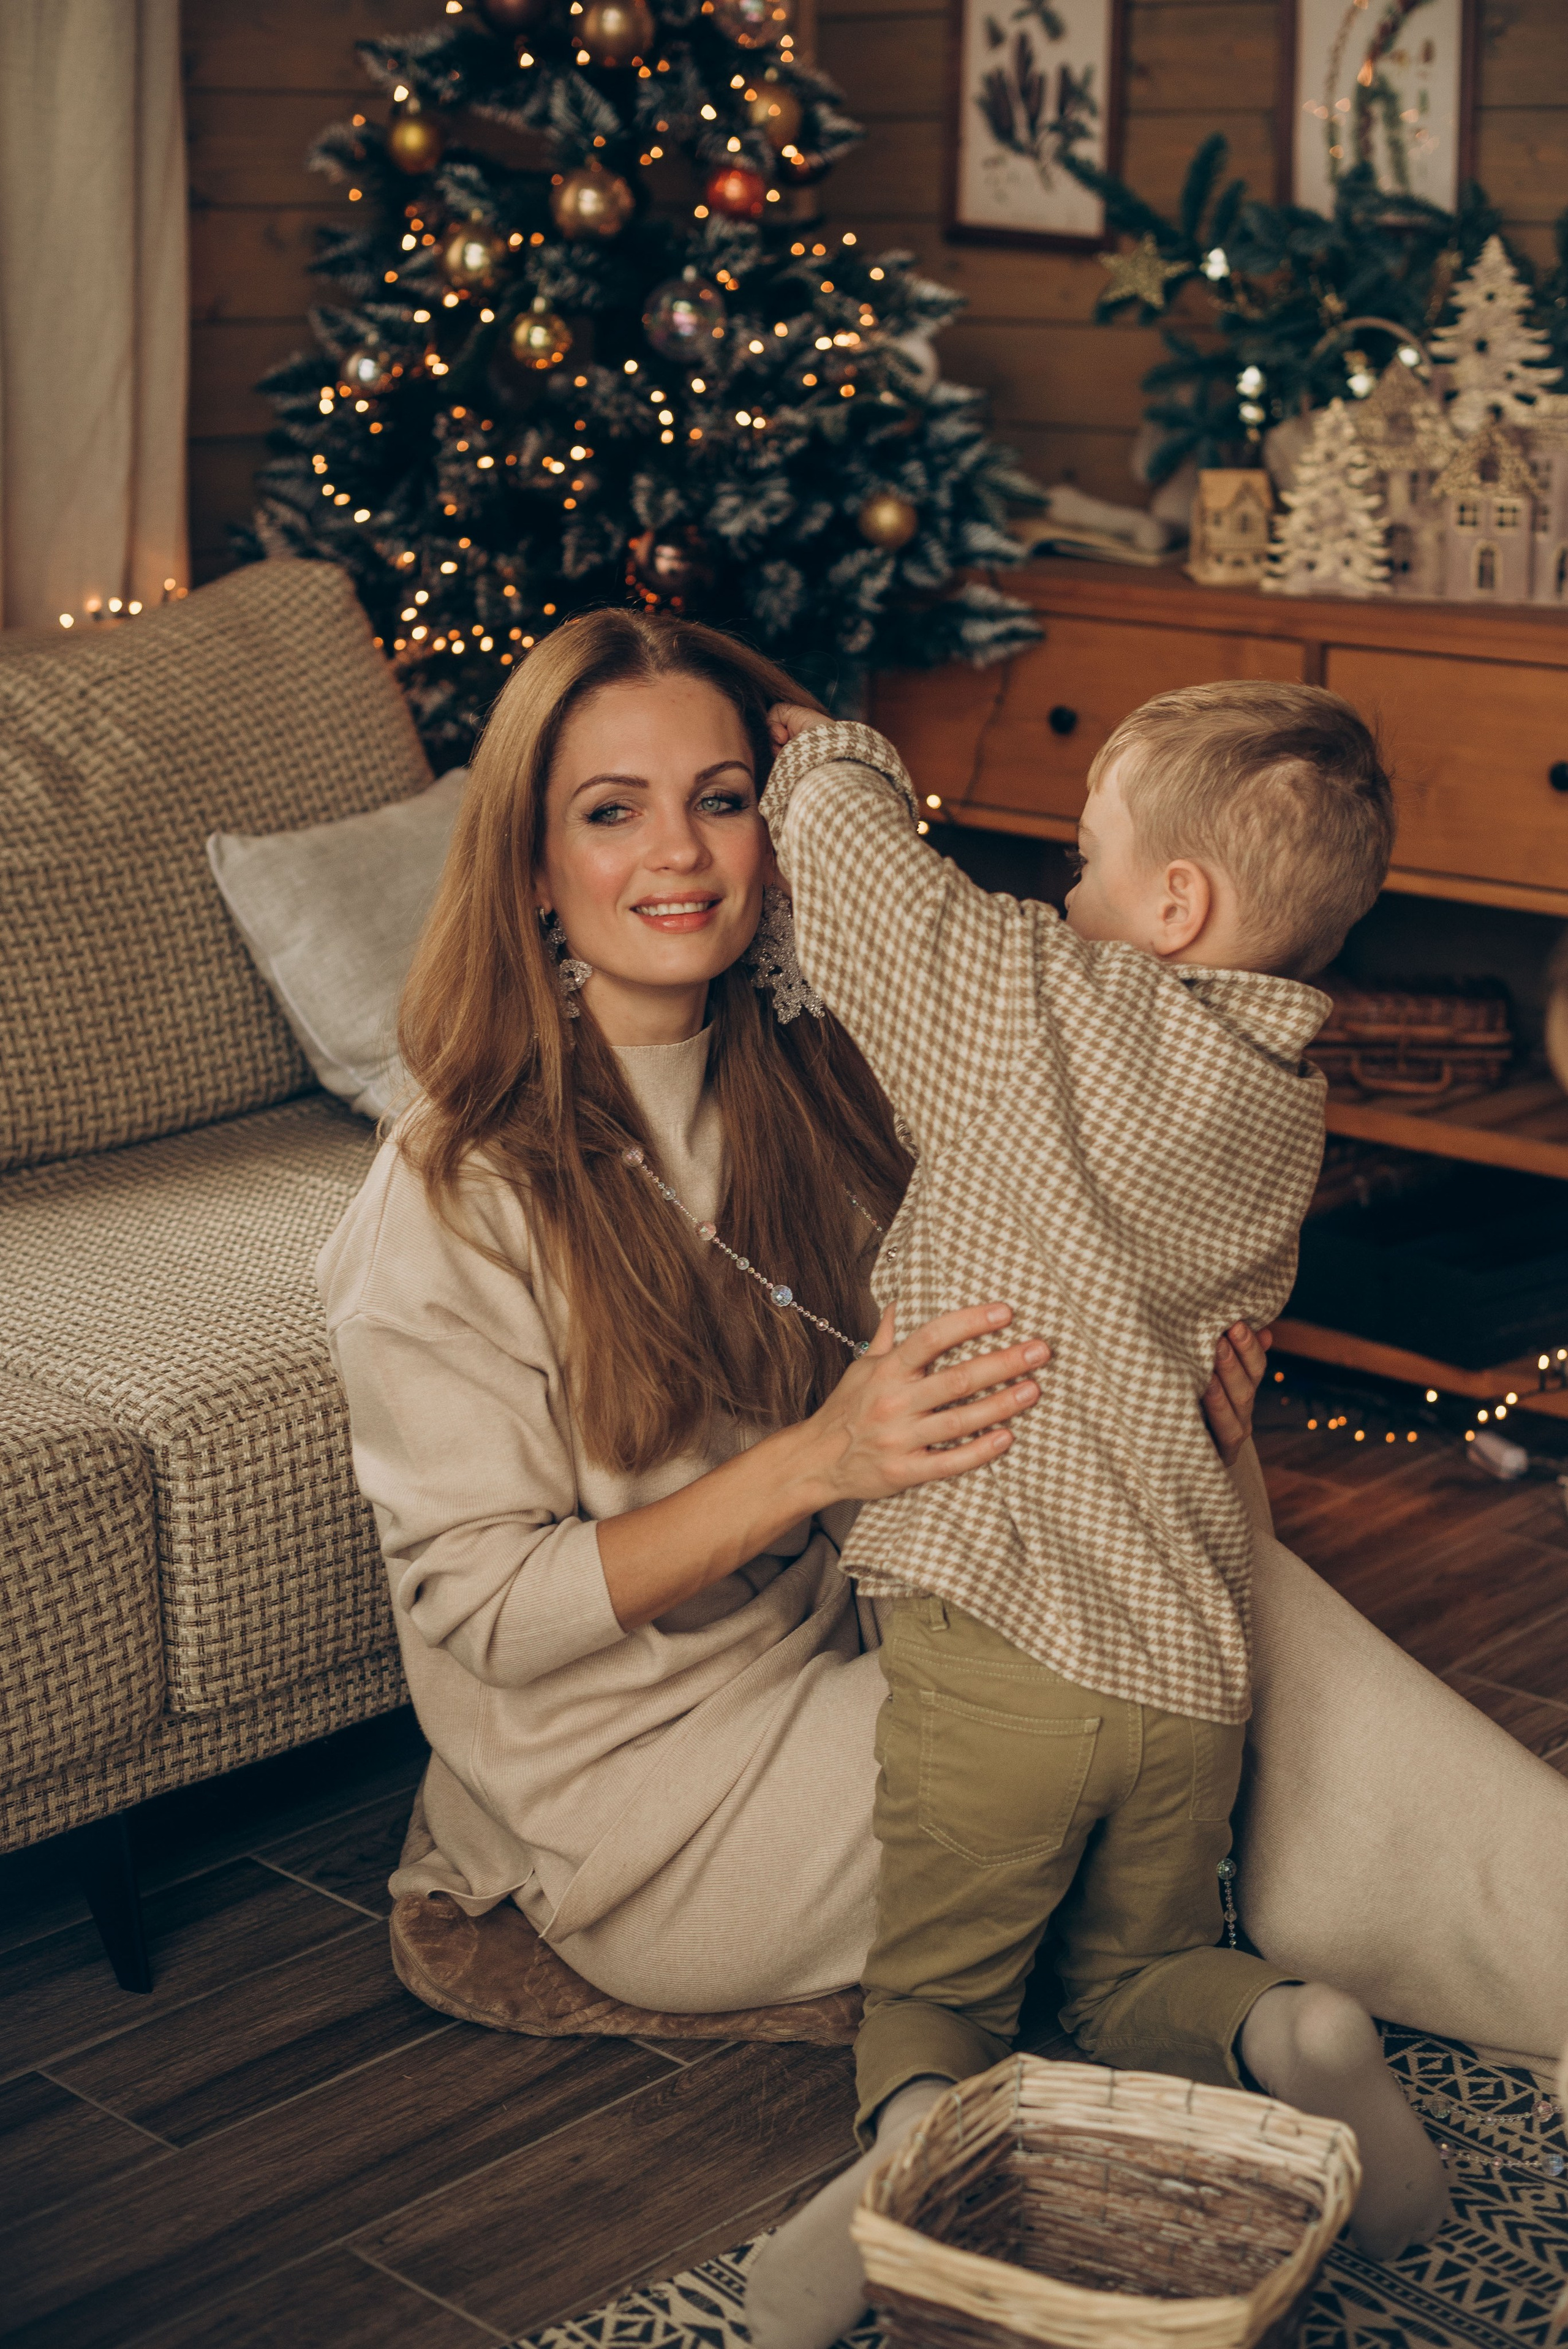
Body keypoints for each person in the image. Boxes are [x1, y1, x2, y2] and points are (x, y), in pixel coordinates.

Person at [317, 612, 1568, 2336]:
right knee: (1118, 1681)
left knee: (1190, 1587)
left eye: (722, 797)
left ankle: (1502, 1942)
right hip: (649, 1802)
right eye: (612, 811)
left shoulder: (827, 1093)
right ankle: (1132, 2052)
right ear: (532, 865)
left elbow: (1052, 1331)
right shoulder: (450, 1191)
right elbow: (483, 1612)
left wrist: (1185, 1396)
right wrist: (820, 1458)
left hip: (870, 1637)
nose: (680, 852)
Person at [744, 687, 1441, 2347]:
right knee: (1139, 1977)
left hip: (1005, 1635)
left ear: (1175, 905)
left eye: (1087, 855)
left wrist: (821, 748)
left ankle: (906, 2155)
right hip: (1189, 1657)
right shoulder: (1283, 1102)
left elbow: (879, 895)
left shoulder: (1037, 999)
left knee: (939, 1992)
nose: (1064, 890)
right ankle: (1299, 2031)